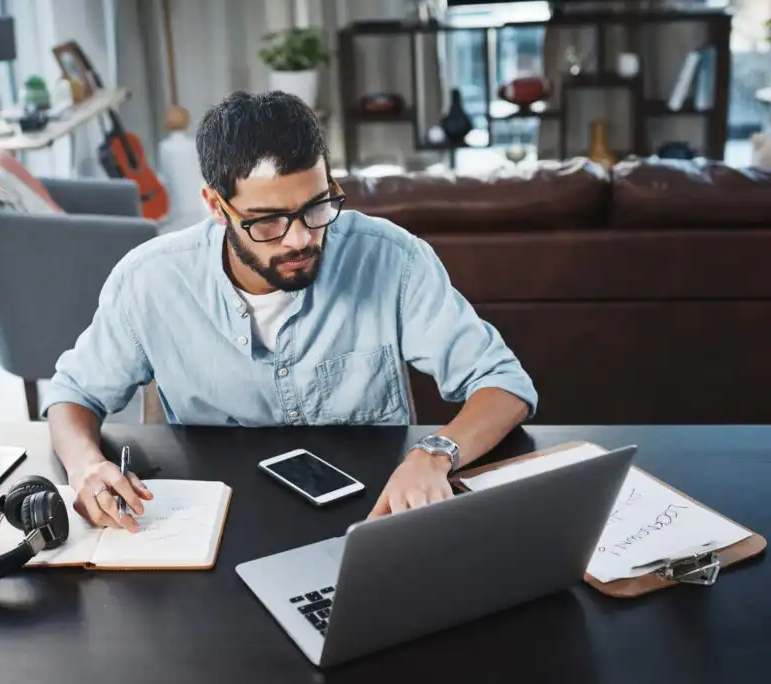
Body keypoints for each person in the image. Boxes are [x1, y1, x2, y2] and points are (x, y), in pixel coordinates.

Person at [44, 90, 537, 533]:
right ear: (216, 207)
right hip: (210, 530)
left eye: (317, 207)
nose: (301, 238)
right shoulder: (149, 281)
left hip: (370, 523)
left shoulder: (392, 259)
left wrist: (437, 453)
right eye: (268, 222)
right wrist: (85, 464)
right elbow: (74, 394)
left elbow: (505, 385)